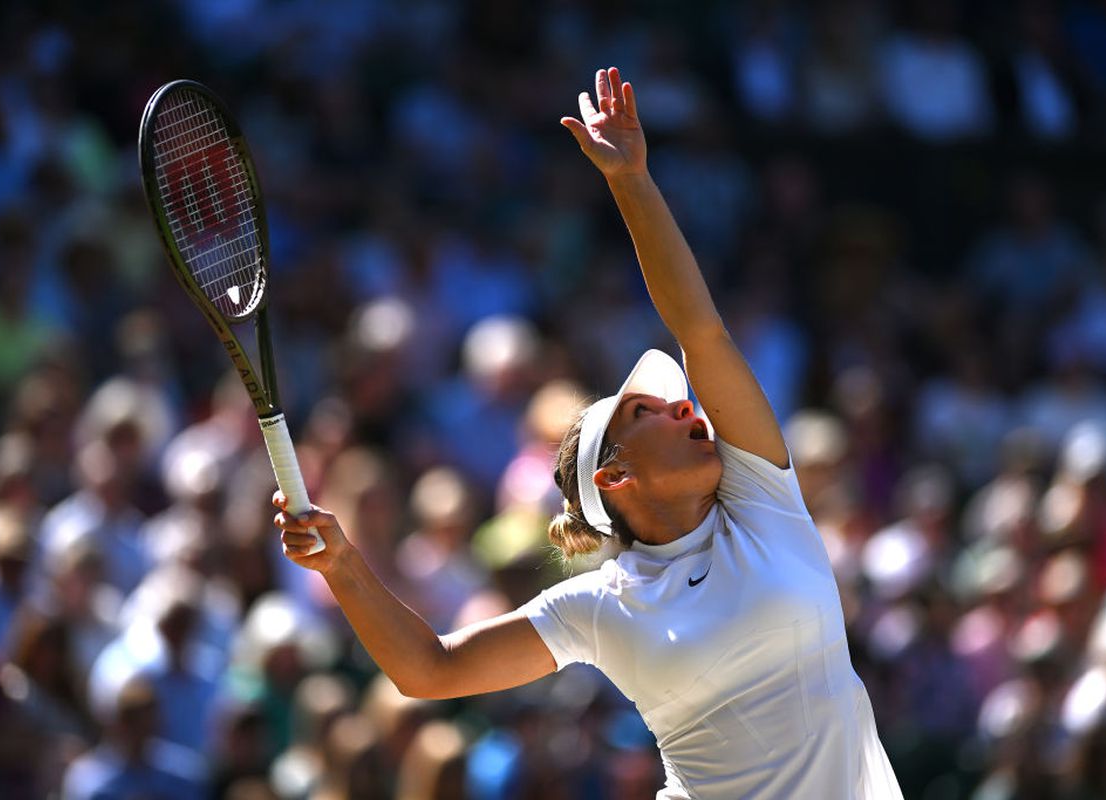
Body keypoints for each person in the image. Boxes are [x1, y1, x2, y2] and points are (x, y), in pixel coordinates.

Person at [274, 67, 903, 799]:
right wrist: (342, 564)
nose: (689, 409)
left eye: (677, 404)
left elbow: (700, 330)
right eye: (649, 412)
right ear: (615, 477)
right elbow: (429, 670)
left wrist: (631, 181)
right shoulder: (597, 605)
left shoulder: (763, 498)